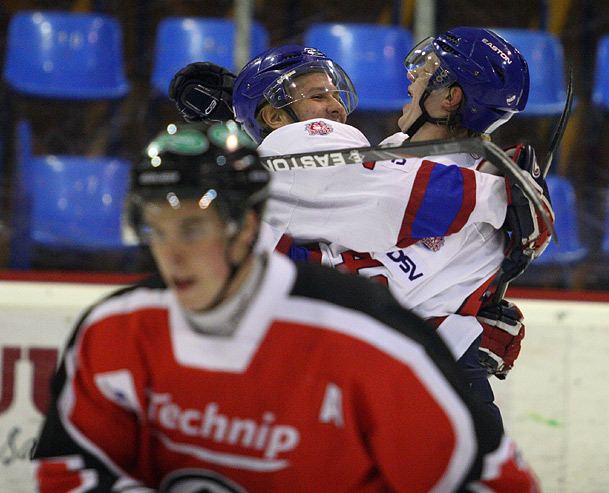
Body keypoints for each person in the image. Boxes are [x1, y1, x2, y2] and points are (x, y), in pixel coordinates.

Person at [31, 122, 541, 492]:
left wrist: (453, 328)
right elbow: (70, 469)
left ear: (249, 228)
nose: (172, 254)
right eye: (156, 230)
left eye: (193, 229)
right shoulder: (113, 332)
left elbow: (493, 481)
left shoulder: (368, 338)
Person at [168, 28, 554, 426]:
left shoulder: (469, 197)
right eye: (320, 96)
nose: (411, 76)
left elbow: (368, 250)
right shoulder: (398, 158)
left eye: (426, 70)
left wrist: (461, 332)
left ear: (450, 97)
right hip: (374, 378)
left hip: (415, 392)